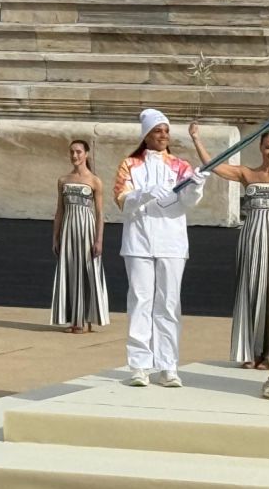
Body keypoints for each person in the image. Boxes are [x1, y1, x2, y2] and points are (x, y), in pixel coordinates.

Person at [113, 109, 207, 387]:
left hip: (171, 241)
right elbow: (121, 200)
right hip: (138, 241)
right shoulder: (130, 165)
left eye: (166, 130)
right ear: (146, 135)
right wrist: (144, 193)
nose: (163, 135)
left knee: (168, 304)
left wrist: (196, 186)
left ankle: (168, 366)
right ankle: (140, 366)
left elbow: (188, 202)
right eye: (158, 130)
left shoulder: (180, 166)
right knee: (140, 301)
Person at [189, 122, 269, 368]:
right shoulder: (247, 174)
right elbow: (213, 166)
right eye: (268, 147)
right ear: (261, 147)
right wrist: (196, 139)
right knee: (250, 290)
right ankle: (250, 352)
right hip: (251, 239)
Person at [50, 139, 110, 334]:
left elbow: (100, 213)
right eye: (72, 152)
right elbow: (59, 210)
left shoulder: (95, 181)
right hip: (68, 229)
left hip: (86, 230)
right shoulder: (63, 180)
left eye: (78, 152)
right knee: (70, 271)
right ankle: (74, 319)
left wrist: (99, 240)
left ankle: (86, 320)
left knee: (87, 272)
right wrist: (55, 237)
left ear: (86, 154)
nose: (75, 155)